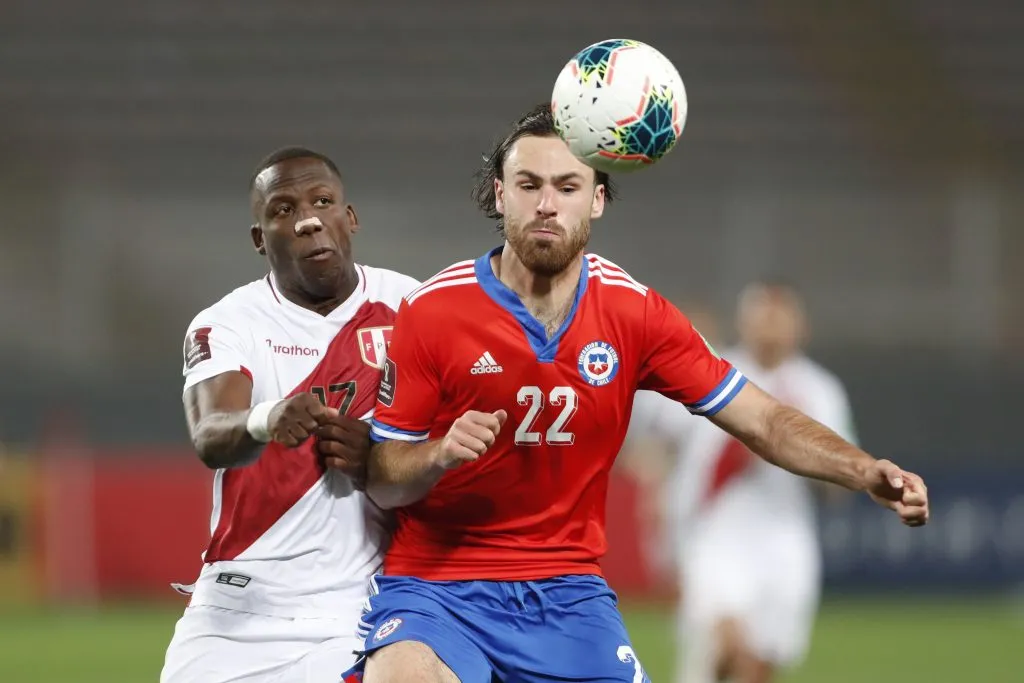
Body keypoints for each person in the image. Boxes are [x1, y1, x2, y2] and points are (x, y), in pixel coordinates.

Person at [346, 104, 929, 683]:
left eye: (567, 186)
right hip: (438, 588)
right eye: (529, 185)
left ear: (596, 198)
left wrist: (862, 470)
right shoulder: (433, 310)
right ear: (500, 196)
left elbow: (765, 421)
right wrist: (439, 451)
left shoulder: (635, 314)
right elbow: (381, 478)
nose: (547, 204)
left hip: (568, 596)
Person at [160, 147, 420, 683]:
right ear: (260, 238)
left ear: (349, 219)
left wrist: (376, 455)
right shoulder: (228, 322)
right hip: (237, 603)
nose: (306, 220)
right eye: (282, 210)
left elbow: (449, 442)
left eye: (322, 202)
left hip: (359, 603)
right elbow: (211, 434)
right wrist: (266, 419)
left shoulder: (414, 307)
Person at [628, 280, 857, 683]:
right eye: (761, 315)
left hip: (785, 543)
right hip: (715, 537)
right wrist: (658, 499)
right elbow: (654, 437)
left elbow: (841, 484)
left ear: (799, 325)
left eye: (779, 316)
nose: (769, 326)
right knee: (729, 646)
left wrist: (803, 456)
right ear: (743, 321)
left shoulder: (819, 392)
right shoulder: (711, 372)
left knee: (756, 667)